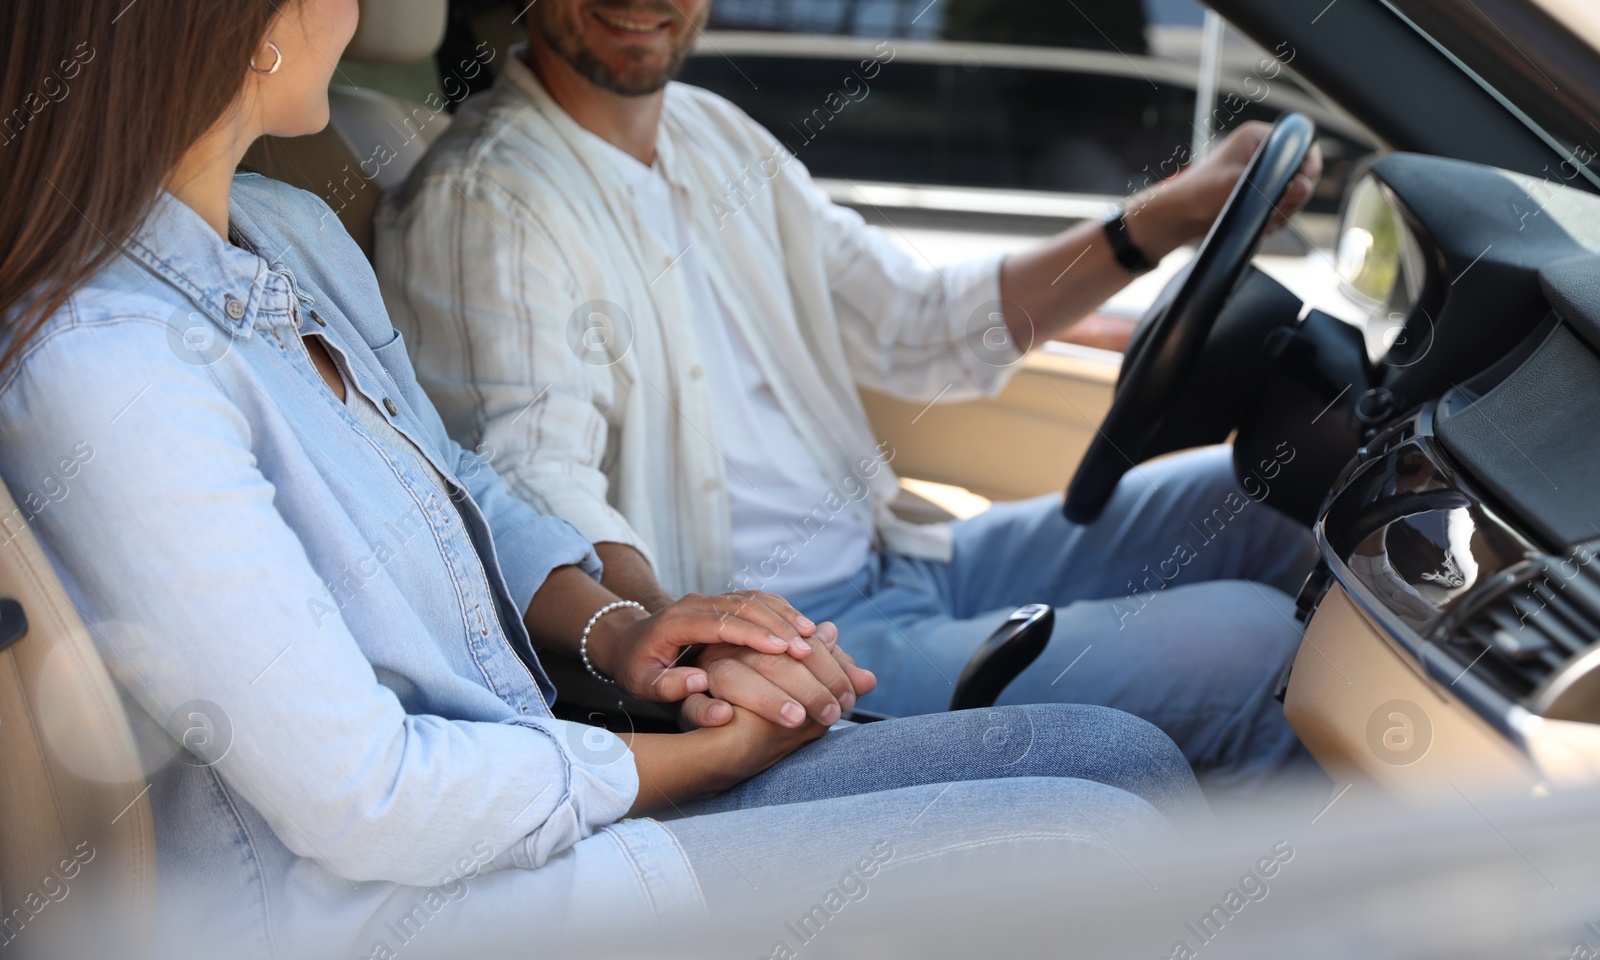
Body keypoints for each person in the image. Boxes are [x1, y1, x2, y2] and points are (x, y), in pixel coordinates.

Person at [0, 0, 1208, 960]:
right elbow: (368, 797)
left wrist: (628, 635)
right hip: (407, 935)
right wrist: (687, 757)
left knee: (1127, 758)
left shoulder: (282, 230)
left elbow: (463, 474)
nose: (362, 10)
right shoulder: (113, 368)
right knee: (1098, 842)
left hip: (526, 798)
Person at [376, 0, 1328, 798]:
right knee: (1257, 652)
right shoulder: (486, 204)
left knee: (1269, 501)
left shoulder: (710, 136)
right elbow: (534, 490)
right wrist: (686, 633)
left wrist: (1173, 211)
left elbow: (918, 322)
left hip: (901, 551)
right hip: (800, 646)